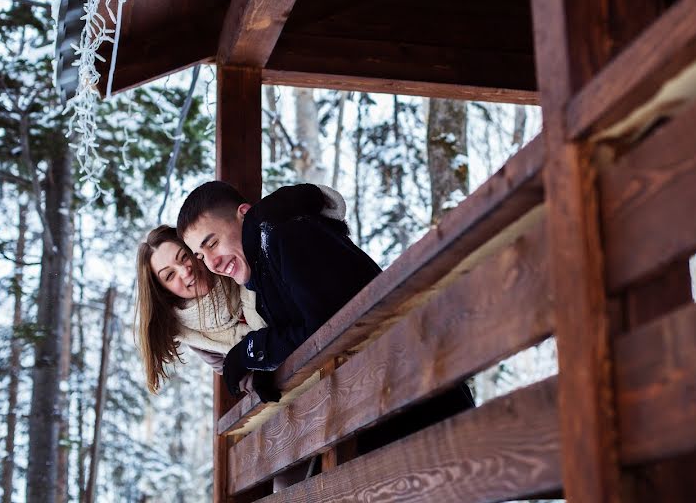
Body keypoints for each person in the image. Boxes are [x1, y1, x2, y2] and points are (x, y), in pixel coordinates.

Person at [176, 181, 474, 447]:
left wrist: (249, 353)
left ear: (244, 213)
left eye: (212, 242)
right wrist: (272, 371)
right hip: (388, 403)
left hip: (420, 400)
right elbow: (307, 327)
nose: (211, 262)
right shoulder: (266, 268)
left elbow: (321, 327)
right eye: (201, 257)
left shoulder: (282, 230)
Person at [134, 185, 346, 394]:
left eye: (185, 257)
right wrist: (255, 373)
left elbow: (324, 326)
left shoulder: (255, 260)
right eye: (170, 276)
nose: (185, 271)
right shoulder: (197, 334)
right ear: (165, 291)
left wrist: (249, 352)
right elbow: (240, 374)